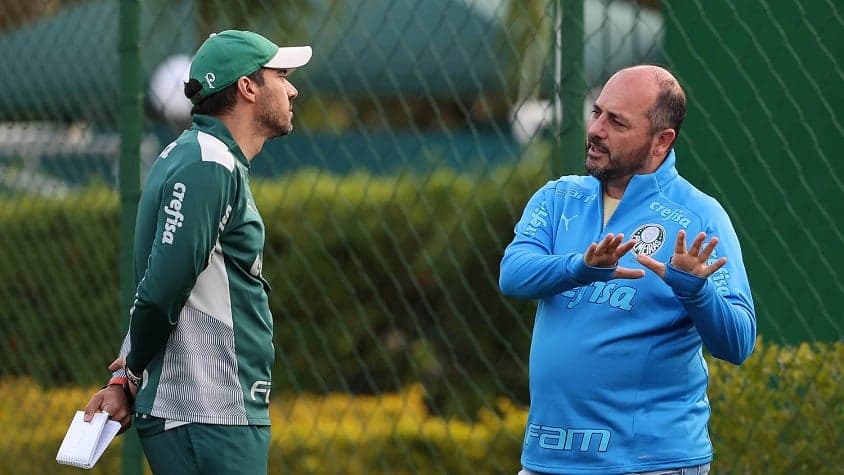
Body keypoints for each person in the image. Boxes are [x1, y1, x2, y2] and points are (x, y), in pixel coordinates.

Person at [499, 65, 756, 475]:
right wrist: (581, 267)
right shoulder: (558, 197)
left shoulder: (699, 217)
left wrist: (695, 291)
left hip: (649, 463)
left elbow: (737, 342)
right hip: (548, 458)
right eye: (597, 112)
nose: (597, 129)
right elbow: (513, 274)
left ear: (661, 141)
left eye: (616, 122)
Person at [82, 30, 311, 474]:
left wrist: (126, 377)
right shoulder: (208, 164)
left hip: (205, 415)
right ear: (247, 87)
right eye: (281, 75)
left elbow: (163, 283)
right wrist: (129, 375)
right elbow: (162, 289)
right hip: (208, 414)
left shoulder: (192, 156)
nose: (292, 88)